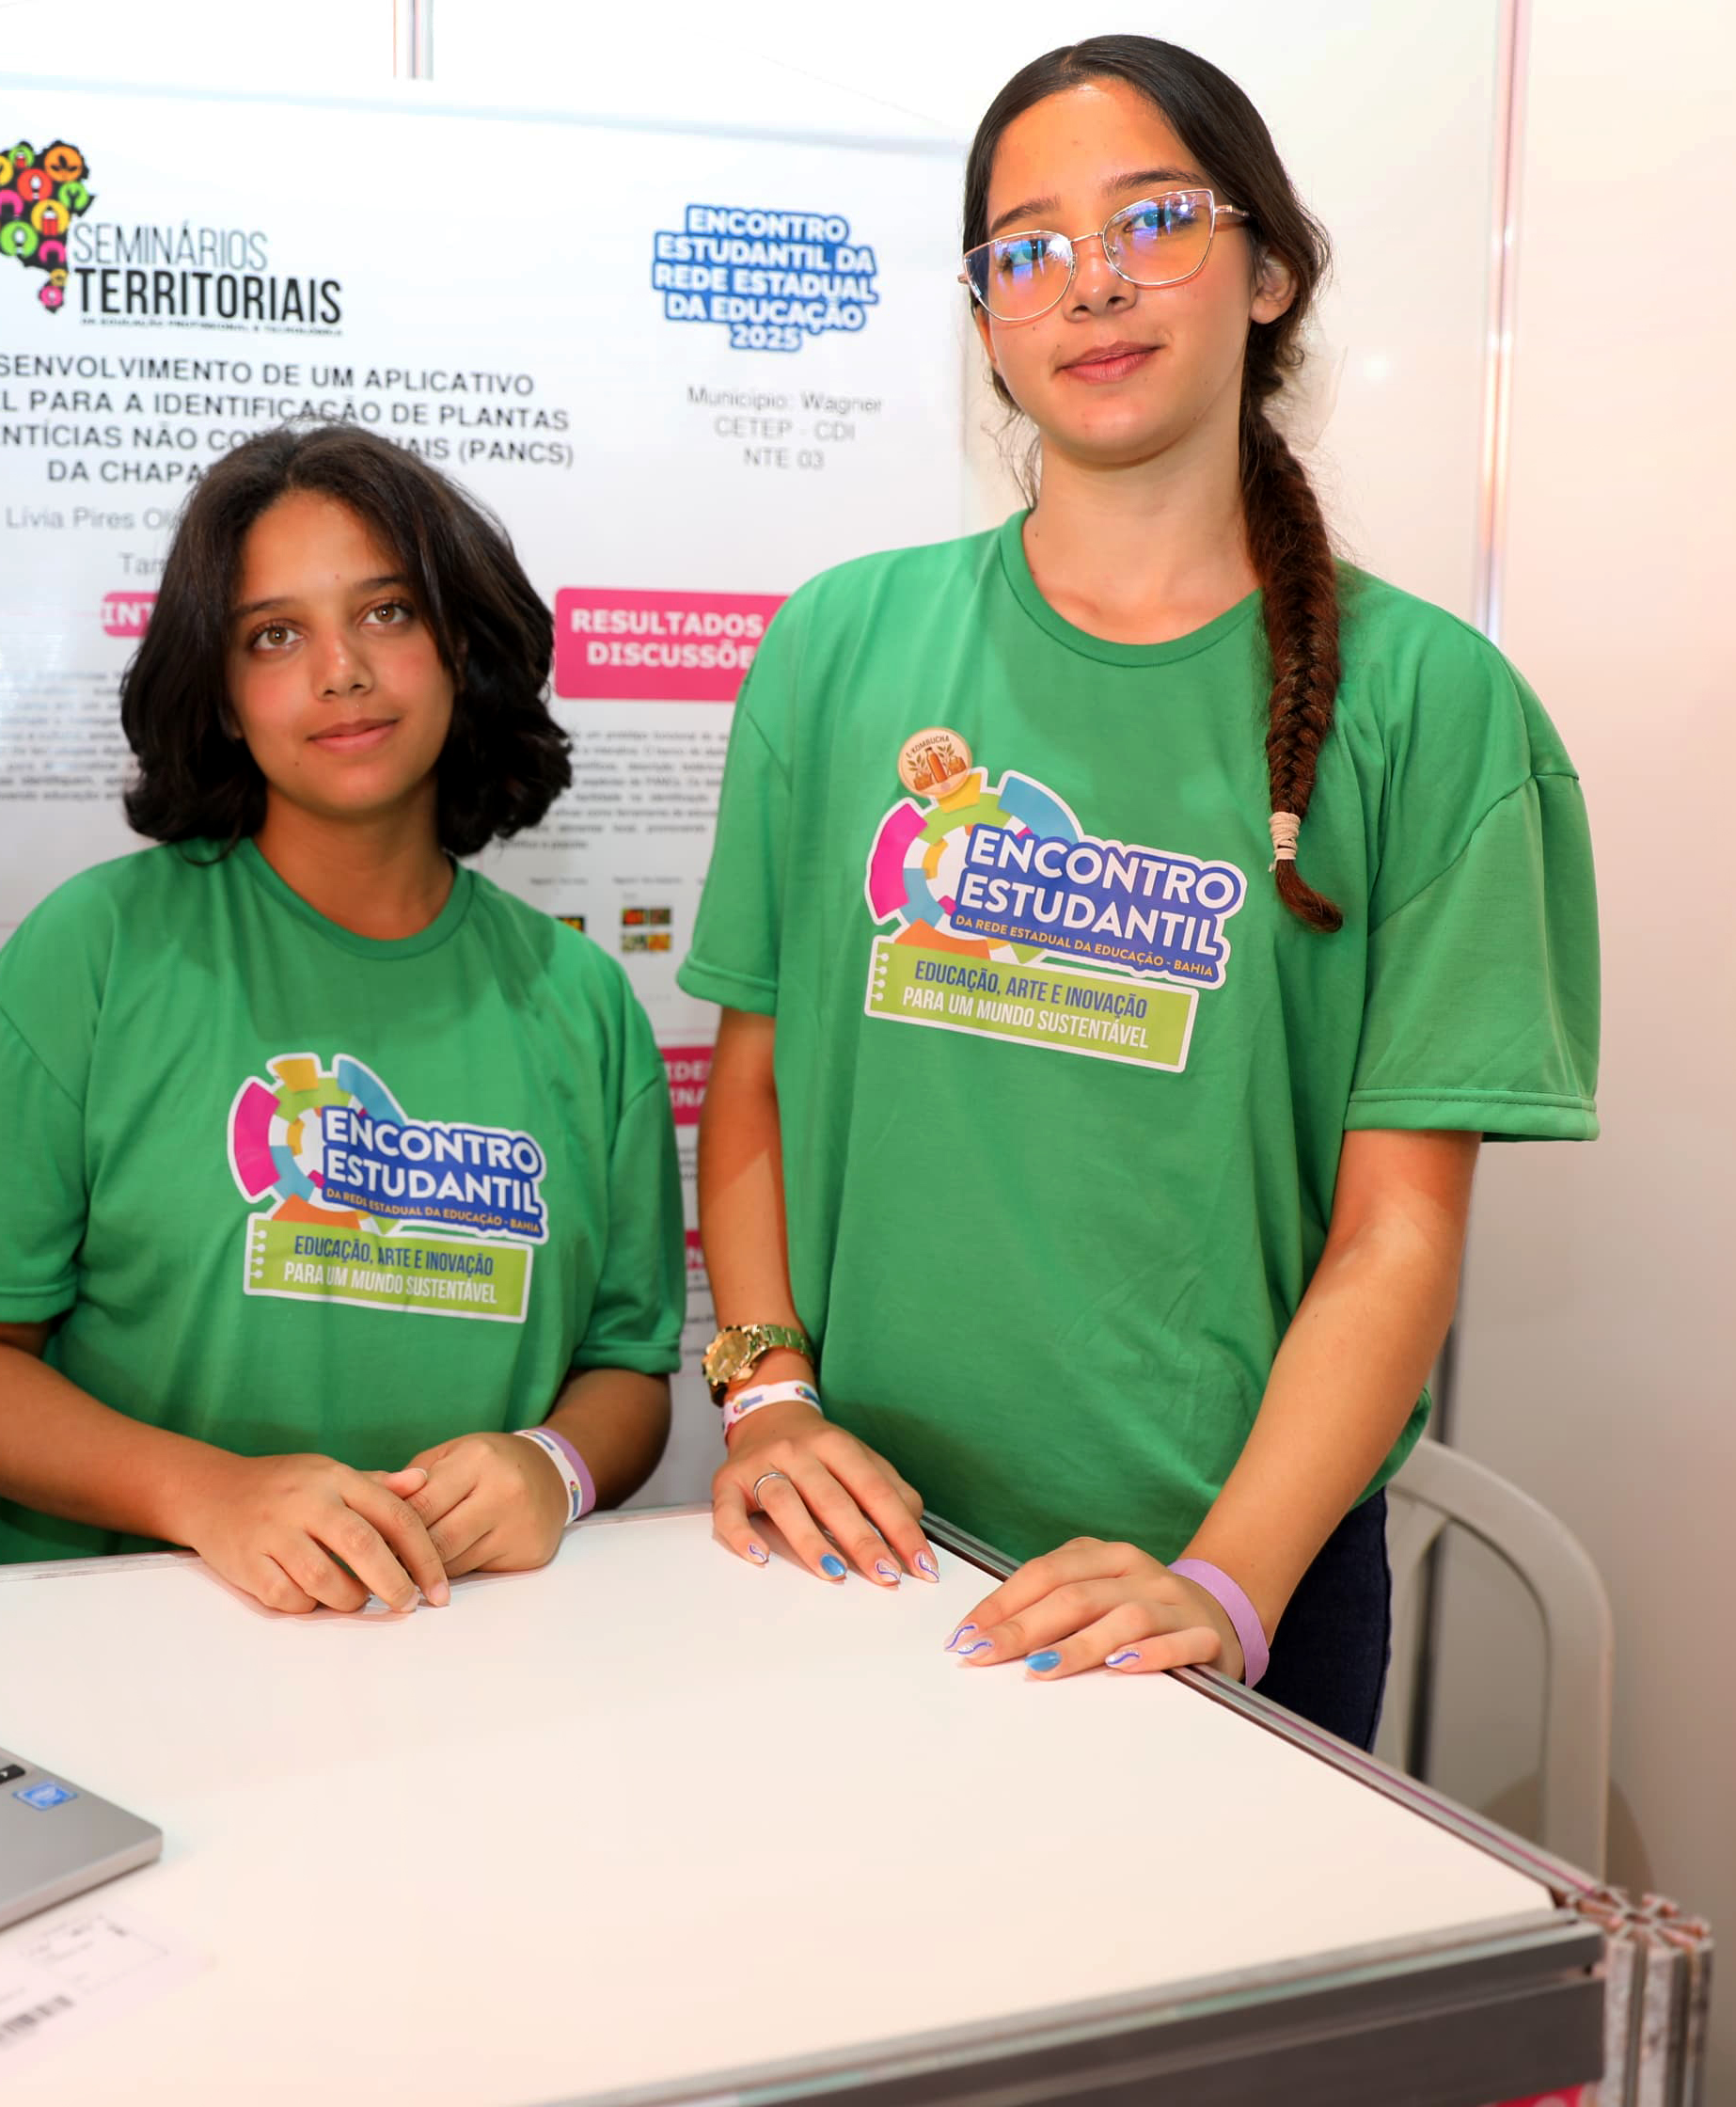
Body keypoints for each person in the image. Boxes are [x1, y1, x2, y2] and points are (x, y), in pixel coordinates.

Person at [680, 35, 1599, 1744]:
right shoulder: (836, 648)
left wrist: (1226, 1584)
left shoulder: (1434, 706)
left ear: (1271, 272)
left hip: (1230, 1584)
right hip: (862, 1549)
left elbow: (1397, 1230)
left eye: (1154, 222)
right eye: (1027, 249)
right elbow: (758, 1086)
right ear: (985, 320)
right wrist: (769, 1398)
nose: (1091, 283)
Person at [0, 422, 684, 1616]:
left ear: (462, 643)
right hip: (136, 1648)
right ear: (219, 691)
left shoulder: (582, 1001)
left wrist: (554, 1466)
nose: (341, 671)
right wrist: (209, 1494)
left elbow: (626, 1369)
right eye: (274, 634)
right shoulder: (91, 955)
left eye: (387, 612)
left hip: (471, 1648)